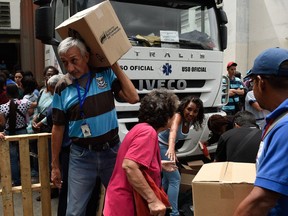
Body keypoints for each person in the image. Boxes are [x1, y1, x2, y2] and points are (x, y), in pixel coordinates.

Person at [51, 37, 139, 215]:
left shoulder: (105, 74)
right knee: (74, 212)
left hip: (112, 153)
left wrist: (114, 64)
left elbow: (133, 97)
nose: (70, 68)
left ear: (86, 57)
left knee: (124, 205)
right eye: (65, 62)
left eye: (74, 61)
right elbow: (58, 127)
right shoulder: (61, 87)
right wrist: (55, 165)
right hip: (81, 156)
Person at [103, 88, 179, 216]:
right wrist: (153, 200)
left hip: (119, 203)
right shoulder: (148, 133)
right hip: (126, 206)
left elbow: (135, 163)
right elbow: (129, 166)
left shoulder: (140, 128)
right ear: (166, 117)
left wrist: (158, 164)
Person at [233, 47, 288, 216]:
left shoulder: (285, 128)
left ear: (260, 82)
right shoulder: (279, 120)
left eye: (252, 83)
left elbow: (262, 200)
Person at [158, 96, 204, 216]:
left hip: (166, 148)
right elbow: (173, 132)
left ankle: (161, 204)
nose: (192, 113)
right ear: (183, 107)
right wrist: (171, 149)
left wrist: (173, 151)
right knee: (175, 179)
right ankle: (174, 212)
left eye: (195, 111)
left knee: (167, 179)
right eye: (189, 109)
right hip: (161, 146)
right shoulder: (178, 116)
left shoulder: (189, 120)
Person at [0, 84, 36, 186]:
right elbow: (35, 105)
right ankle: (26, 179)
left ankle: (16, 181)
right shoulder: (25, 103)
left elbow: (2, 123)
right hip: (22, 132)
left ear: (7, 94)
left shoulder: (2, 107)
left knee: (13, 159)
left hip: (9, 133)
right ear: (17, 92)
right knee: (24, 156)